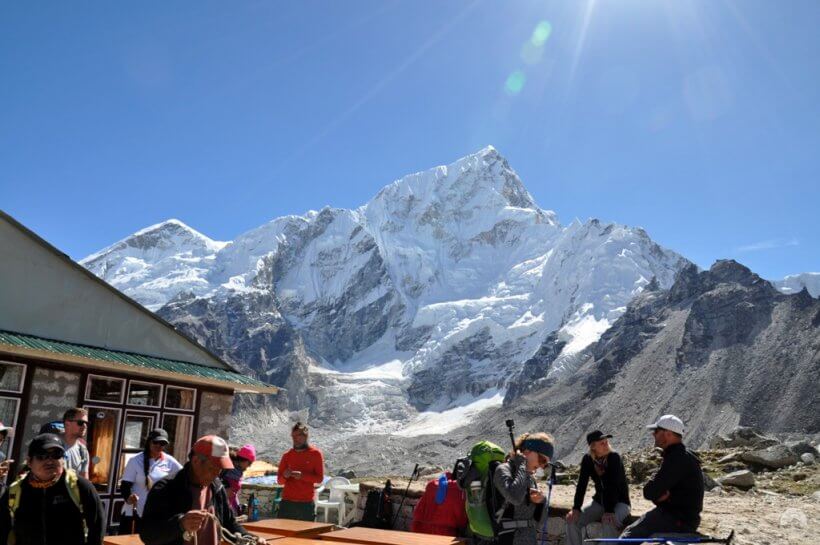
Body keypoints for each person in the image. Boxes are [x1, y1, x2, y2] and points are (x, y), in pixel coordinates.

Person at [139, 435, 265, 545]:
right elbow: (147, 534)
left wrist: (250, 538)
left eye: (220, 468)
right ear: (196, 461)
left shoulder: (217, 487)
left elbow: (230, 523)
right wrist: (180, 524)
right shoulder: (167, 488)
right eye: (213, 467)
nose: (217, 473)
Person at [0, 433, 105, 545]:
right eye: (42, 456)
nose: (50, 461)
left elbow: (97, 527)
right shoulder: (15, 491)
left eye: (56, 454)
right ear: (29, 462)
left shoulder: (79, 486)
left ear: (63, 459)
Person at [620, 415, 704, 539]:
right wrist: (661, 496)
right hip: (681, 517)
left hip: (676, 519)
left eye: (657, 431)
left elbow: (649, 492)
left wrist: (660, 496)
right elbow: (656, 491)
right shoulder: (682, 454)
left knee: (627, 537)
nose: (653, 434)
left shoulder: (676, 458)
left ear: (668, 434)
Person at [566, 431, 631, 545]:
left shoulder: (614, 457)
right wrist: (576, 508)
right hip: (599, 501)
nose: (606, 444)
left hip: (620, 502)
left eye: (606, 442)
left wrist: (609, 510)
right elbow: (582, 485)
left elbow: (614, 486)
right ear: (593, 447)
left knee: (609, 522)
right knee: (572, 521)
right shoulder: (587, 459)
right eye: (602, 443)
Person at [491, 432, 554, 545]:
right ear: (526, 451)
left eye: (545, 464)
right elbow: (515, 498)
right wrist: (522, 465)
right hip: (509, 539)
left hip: (530, 539)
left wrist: (541, 501)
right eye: (542, 459)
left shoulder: (529, 478)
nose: (541, 466)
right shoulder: (503, 470)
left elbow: (541, 522)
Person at [119, 428, 182, 534]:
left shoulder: (170, 461)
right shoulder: (135, 460)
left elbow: (183, 476)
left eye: (162, 443)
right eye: (155, 442)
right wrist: (129, 497)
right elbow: (125, 485)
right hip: (135, 512)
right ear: (149, 442)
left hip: (157, 512)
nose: (158, 446)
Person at [277, 422, 324, 521]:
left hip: (305, 505)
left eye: (298, 436)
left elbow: (319, 479)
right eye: (293, 436)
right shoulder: (287, 455)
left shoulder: (315, 454)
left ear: (305, 436)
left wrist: (302, 476)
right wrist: (285, 476)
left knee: (304, 536)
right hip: (287, 503)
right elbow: (280, 481)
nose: (295, 439)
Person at [221, 444, 256, 514]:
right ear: (243, 460)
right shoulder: (227, 468)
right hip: (220, 507)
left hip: (228, 509)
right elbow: (216, 483)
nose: (249, 466)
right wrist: (224, 490)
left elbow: (233, 494)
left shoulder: (238, 472)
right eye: (249, 463)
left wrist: (237, 507)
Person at [62, 408, 90, 479]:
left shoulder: (83, 450)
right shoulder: (53, 445)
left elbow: (84, 481)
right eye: (80, 423)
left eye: (86, 423)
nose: (85, 426)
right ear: (67, 423)